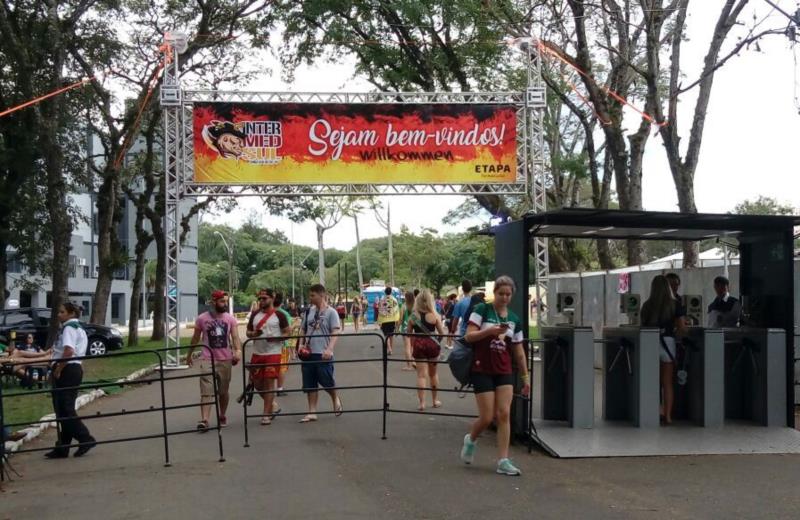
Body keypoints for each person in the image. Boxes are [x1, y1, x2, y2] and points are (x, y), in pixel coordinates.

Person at [460, 276, 529, 476]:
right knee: (487, 416)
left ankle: (503, 460)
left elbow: (518, 351)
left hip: (504, 369)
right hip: (482, 368)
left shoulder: (514, 319)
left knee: (504, 414)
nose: (505, 298)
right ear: (494, 293)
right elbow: (468, 336)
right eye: (501, 294)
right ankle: (471, 439)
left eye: (508, 294)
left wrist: (525, 378)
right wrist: (489, 331)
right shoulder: (482, 310)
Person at [45, 301, 96, 458]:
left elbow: (68, 351)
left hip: (67, 369)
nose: (59, 314)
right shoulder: (78, 327)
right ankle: (63, 446)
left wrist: (58, 368)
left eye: (62, 312)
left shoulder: (68, 328)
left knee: (64, 409)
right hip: (74, 368)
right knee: (64, 409)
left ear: (71, 313)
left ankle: (85, 438)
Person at [187, 290, 242, 432]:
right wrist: (189, 354)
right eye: (222, 301)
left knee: (223, 391)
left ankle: (222, 414)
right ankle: (204, 420)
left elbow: (235, 338)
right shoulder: (202, 319)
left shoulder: (230, 319)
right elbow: (195, 338)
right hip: (207, 359)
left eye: (226, 301)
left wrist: (237, 351)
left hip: (225, 359)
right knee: (206, 391)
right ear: (214, 302)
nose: (225, 304)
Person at [641, 275, 687, 425]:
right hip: (667, 343)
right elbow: (682, 328)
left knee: (652, 381)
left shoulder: (647, 305)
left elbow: (642, 326)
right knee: (667, 382)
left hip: (650, 343)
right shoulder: (675, 304)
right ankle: (667, 416)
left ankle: (652, 412)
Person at [297, 284, 343, 423]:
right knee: (309, 382)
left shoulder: (331, 312)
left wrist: (330, 348)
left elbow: (335, 331)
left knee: (326, 379)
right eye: (310, 295)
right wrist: (300, 344)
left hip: (323, 352)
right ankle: (312, 411)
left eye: (313, 295)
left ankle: (335, 398)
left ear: (321, 295)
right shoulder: (308, 312)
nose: (310, 298)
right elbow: (303, 329)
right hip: (308, 352)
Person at [246, 289, 291, 425]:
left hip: (273, 353)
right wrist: (253, 334)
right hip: (257, 353)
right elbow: (248, 332)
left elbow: (287, 332)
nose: (262, 301)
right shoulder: (255, 315)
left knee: (269, 383)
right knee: (257, 383)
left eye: (265, 298)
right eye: (260, 298)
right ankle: (272, 405)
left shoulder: (279, 315)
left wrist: (277, 338)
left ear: (272, 298)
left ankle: (266, 414)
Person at [407, 290, 446, 410]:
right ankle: (434, 401)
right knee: (433, 374)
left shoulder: (413, 316)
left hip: (419, 345)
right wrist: (436, 343)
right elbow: (442, 333)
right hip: (432, 345)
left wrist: (415, 342)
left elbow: (409, 333)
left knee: (421, 376)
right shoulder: (434, 315)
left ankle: (422, 403)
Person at [273, 292, 293, 396]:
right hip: (282, 344)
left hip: (269, 345)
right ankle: (279, 388)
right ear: (281, 301)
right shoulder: (284, 314)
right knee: (282, 367)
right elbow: (288, 330)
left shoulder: (268, 312)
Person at [377, 287, 400, 355]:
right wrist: (396, 320)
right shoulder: (394, 300)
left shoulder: (382, 300)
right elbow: (396, 310)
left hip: (384, 320)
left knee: (386, 335)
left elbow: (380, 310)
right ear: (391, 292)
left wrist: (380, 320)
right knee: (391, 335)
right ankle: (391, 349)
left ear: (385, 292)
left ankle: (389, 349)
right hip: (392, 320)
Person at [399, 291, 416, 371]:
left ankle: (409, 365)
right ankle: (413, 361)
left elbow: (401, 319)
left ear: (406, 298)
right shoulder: (415, 306)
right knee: (412, 346)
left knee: (407, 347)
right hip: (414, 329)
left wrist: (397, 327)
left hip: (405, 328)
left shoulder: (403, 306)